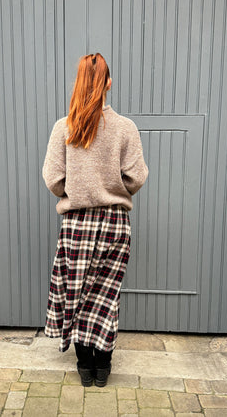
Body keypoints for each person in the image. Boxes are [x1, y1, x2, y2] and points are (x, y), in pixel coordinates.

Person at [42, 53, 149, 387]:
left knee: (76, 292)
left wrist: (76, 191)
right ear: (109, 83)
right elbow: (137, 177)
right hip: (115, 224)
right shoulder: (125, 127)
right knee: (105, 293)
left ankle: (84, 364)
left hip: (76, 225)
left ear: (79, 83)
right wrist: (112, 189)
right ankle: (103, 366)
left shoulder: (64, 127)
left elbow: (52, 178)